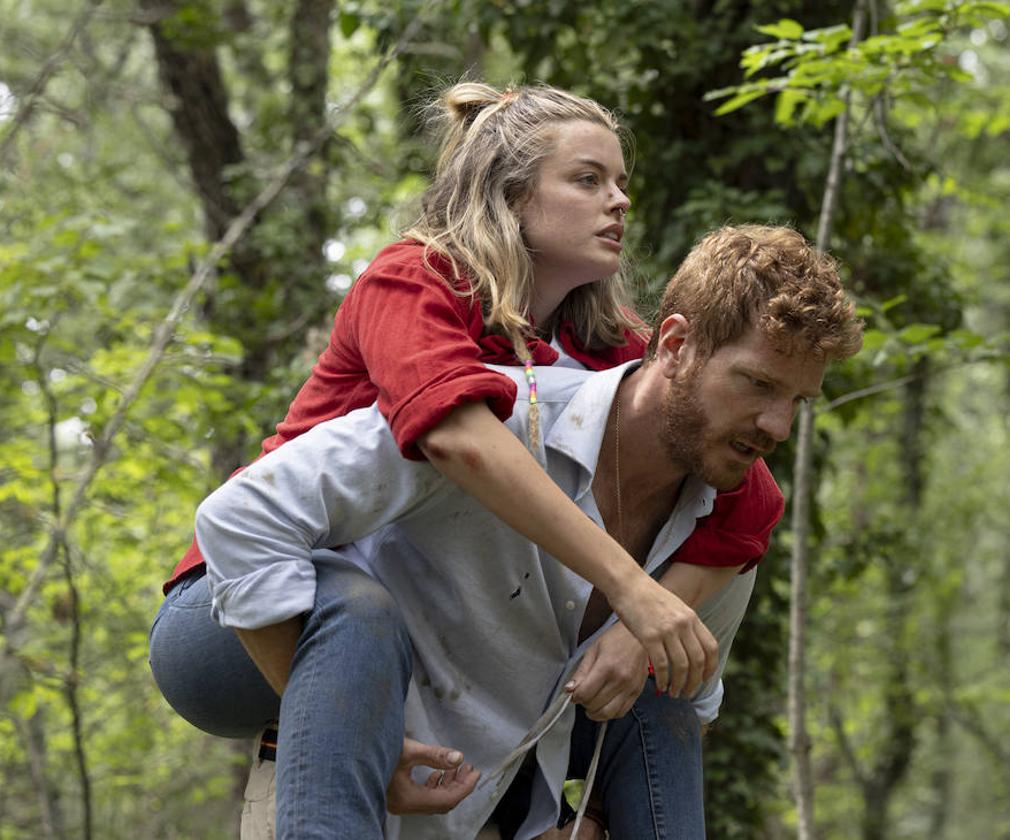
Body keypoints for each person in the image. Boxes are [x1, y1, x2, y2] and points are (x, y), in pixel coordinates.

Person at [194, 224, 865, 838]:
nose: (777, 426)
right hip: (343, 797)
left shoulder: (717, 526)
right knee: (356, 610)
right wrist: (362, 735)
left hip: (503, 812)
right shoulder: (498, 419)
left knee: (671, 691)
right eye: (755, 384)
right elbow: (238, 518)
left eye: (796, 402)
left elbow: (686, 710)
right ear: (677, 344)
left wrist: (590, 817)